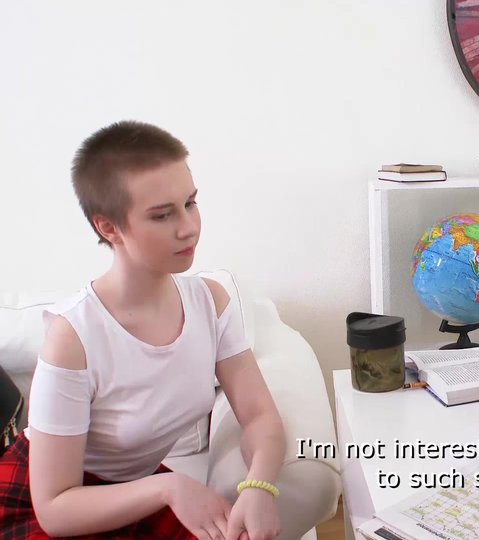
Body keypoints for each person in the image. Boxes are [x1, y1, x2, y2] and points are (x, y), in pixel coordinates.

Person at [0, 121, 286, 539]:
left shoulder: (210, 303)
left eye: (190, 203)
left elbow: (260, 416)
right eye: (162, 215)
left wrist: (259, 486)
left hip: (137, 491)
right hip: (53, 503)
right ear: (108, 227)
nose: (188, 227)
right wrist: (168, 487)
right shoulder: (72, 337)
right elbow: (55, 509)